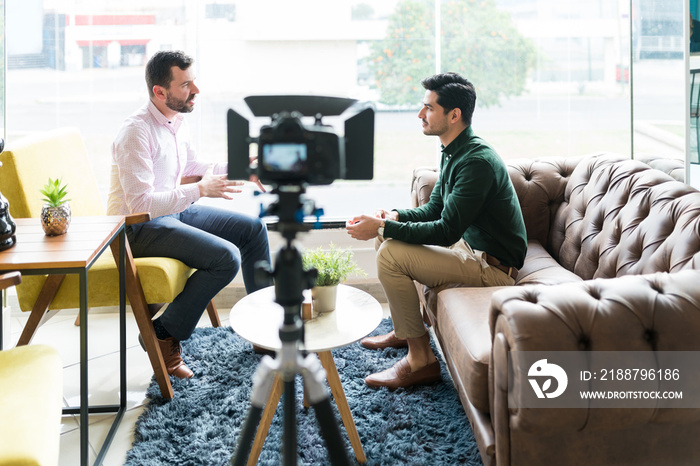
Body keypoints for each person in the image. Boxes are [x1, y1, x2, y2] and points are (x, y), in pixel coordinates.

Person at [346, 72, 527, 390]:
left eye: (428, 108)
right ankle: (406, 332)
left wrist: (387, 226)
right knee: (386, 234)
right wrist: (393, 216)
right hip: (468, 249)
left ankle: (421, 361)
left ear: (454, 115)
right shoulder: (454, 151)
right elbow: (433, 210)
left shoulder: (476, 162)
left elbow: (445, 230)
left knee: (390, 253)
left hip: (493, 269)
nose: (420, 114)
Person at [108, 50, 271, 379]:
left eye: (194, 82)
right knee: (226, 258)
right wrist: (199, 190)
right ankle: (163, 334)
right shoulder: (135, 133)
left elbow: (193, 168)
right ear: (160, 91)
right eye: (186, 85)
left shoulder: (175, 122)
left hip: (172, 213)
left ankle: (263, 328)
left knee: (253, 230)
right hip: (136, 229)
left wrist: (244, 168)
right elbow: (140, 204)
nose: (195, 90)